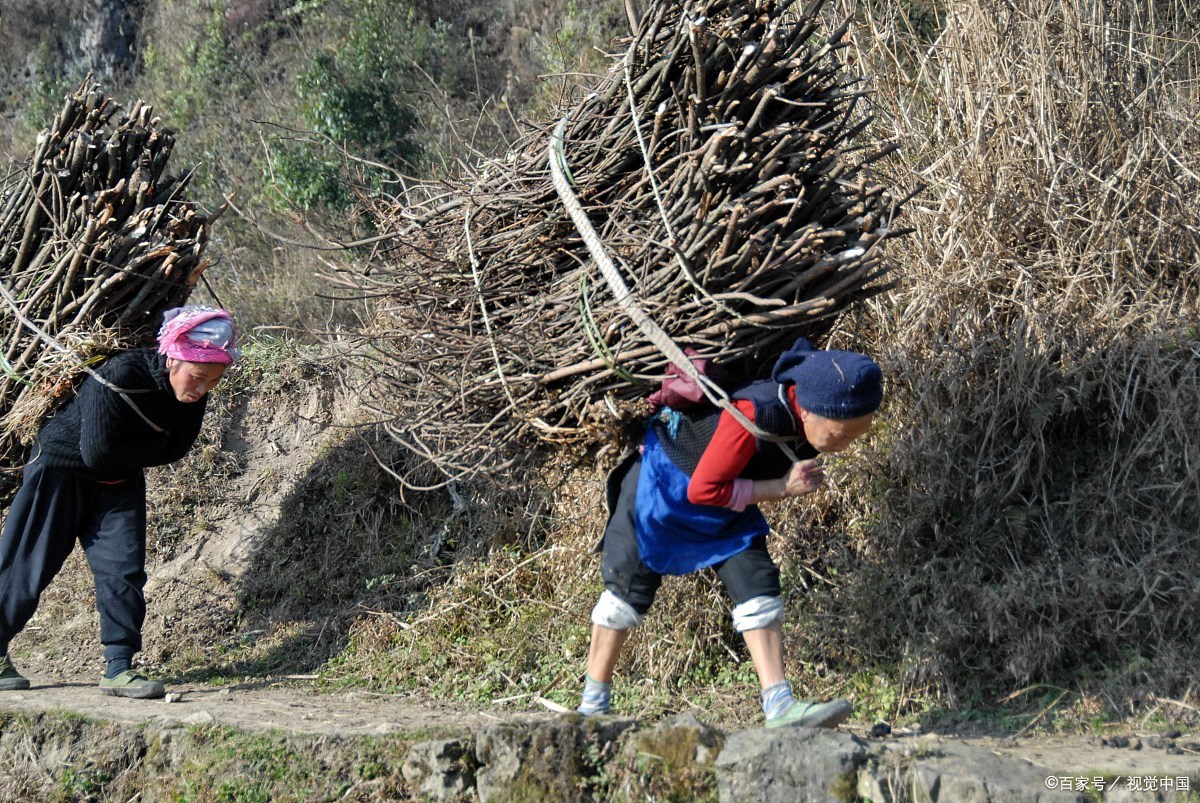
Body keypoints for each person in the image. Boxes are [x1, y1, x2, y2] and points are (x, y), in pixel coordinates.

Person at [577, 336, 882, 728]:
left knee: (755, 579)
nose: (846, 444)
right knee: (627, 589)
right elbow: (703, 488)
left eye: (857, 434)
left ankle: (779, 705)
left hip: (724, 495)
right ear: (806, 410)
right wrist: (780, 488)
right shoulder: (754, 414)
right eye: (841, 434)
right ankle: (591, 707)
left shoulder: (810, 421)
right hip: (663, 485)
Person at [0, 306, 238, 699]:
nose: (200, 389)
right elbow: (96, 452)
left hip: (119, 481)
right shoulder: (121, 374)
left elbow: (177, 450)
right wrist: (147, 447)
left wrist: (132, 451)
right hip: (58, 470)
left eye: (212, 382)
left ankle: (119, 667)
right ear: (174, 357)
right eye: (197, 377)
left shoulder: (193, 396)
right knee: (26, 567)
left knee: (123, 570)